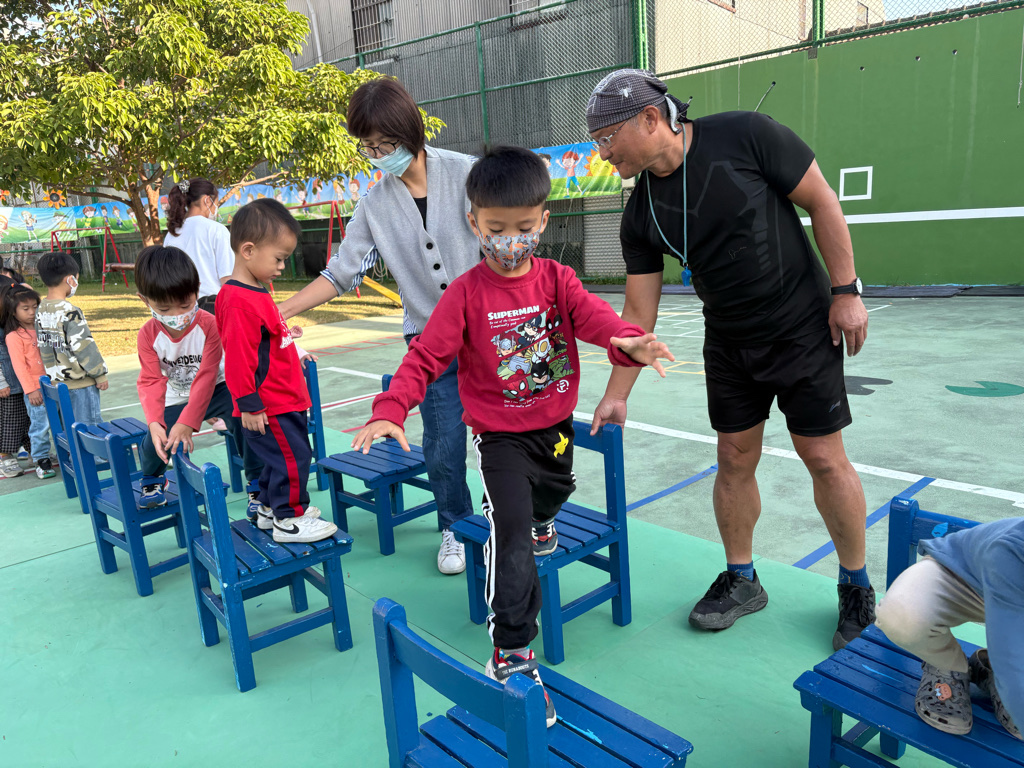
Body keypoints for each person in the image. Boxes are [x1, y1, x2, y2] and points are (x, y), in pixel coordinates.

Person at [352, 146, 674, 728]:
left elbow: (594, 318)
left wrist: (626, 339)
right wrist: (392, 407)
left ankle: (542, 518)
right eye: (496, 228)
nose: (510, 241)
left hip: (552, 429)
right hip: (498, 437)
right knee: (512, 538)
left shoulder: (557, 279)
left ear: (543, 220)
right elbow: (425, 356)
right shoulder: (465, 294)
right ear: (473, 222)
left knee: (556, 491)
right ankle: (512, 653)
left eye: (523, 227)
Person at [585, 69, 873, 650]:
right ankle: (742, 578)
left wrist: (846, 292)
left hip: (801, 328)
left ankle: (855, 585)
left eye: (607, 137)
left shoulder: (746, 135)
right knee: (733, 457)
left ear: (650, 118)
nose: (604, 153)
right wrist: (616, 395)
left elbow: (821, 199)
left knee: (823, 457)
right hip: (728, 342)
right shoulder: (640, 214)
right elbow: (638, 315)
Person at [278, 77, 480, 575]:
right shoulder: (374, 204)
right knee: (444, 443)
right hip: (430, 342)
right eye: (367, 147)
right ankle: (455, 526)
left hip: (490, 332)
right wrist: (280, 311)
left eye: (385, 144)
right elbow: (340, 274)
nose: (377, 156)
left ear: (409, 131)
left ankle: (518, 518)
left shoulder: (467, 174)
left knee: (511, 434)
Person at [216, 199, 337, 544]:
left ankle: (270, 509)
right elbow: (238, 358)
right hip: (269, 405)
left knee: (278, 460)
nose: (283, 266)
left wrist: (286, 335)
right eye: (279, 258)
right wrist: (250, 404)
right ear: (248, 250)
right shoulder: (238, 300)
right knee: (294, 458)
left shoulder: (256, 292)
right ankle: (290, 519)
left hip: (283, 399)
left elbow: (263, 341)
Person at [134, 245, 263, 514]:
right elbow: (150, 381)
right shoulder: (147, 335)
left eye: (185, 304)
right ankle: (152, 479)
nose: (176, 316)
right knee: (155, 438)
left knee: (246, 420)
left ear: (197, 290)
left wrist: (188, 423)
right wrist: (155, 422)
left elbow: (206, 376)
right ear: (144, 300)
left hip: (218, 388)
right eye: (164, 308)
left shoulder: (209, 324)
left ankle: (258, 482)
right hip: (178, 395)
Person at [875, 518, 1023, 741]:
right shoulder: (1013, 548)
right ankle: (947, 664)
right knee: (901, 617)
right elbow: (1010, 656)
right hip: (957, 574)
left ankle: (990, 669)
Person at [34, 251, 107, 426]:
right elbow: (84, 346)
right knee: (88, 432)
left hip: (55, 384)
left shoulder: (41, 309)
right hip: (80, 385)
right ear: (70, 279)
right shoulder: (70, 311)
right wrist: (99, 374)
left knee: (67, 431)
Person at [1, 283, 55, 479]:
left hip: (54, 384)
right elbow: (19, 367)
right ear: (13, 312)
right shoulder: (13, 336)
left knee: (61, 422)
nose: (32, 312)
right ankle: (41, 459)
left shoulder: (44, 329)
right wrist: (31, 389)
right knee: (40, 425)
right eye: (25, 308)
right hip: (35, 389)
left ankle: (64, 453)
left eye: (34, 306)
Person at [163, 178, 234, 314]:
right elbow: (227, 278)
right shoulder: (216, 230)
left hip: (181, 310)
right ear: (207, 200)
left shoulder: (171, 234)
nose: (216, 207)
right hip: (213, 308)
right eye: (216, 202)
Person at [0, 278, 32, 478]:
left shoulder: (14, 324)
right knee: (10, 421)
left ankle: (34, 452)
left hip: (25, 382)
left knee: (29, 420)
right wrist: (1, 383)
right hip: (8, 387)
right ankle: (5, 456)